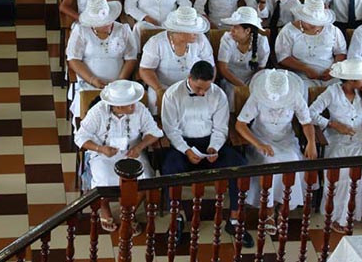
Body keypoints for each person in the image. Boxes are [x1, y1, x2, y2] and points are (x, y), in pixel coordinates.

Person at [159, 60, 254, 248]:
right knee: (169, 170)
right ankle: (176, 218)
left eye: (206, 88)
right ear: (189, 79)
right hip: (183, 145)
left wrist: (214, 148)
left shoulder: (218, 95)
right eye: (198, 88)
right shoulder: (172, 95)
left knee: (241, 167)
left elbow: (220, 128)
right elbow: (171, 130)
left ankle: (234, 220)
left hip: (210, 144)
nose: (202, 92)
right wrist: (186, 150)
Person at [308, 58, 362, 232]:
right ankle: (340, 216)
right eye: (361, 78)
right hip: (338, 143)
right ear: (351, 80)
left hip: (361, 142)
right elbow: (310, 113)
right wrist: (333, 124)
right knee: (344, 172)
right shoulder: (332, 92)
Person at [74, 80, 162, 230]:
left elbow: (154, 132)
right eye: (130, 105)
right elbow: (80, 137)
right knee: (103, 181)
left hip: (132, 153)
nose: (134, 106)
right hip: (103, 155)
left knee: (146, 179)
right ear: (118, 106)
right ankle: (104, 206)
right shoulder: (98, 111)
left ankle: (128, 212)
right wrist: (100, 148)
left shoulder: (139, 109)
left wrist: (139, 147)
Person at [235, 69, 317, 218]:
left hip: (286, 139)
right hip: (262, 138)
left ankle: (284, 203)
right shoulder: (258, 96)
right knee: (271, 160)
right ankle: (269, 207)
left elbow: (306, 122)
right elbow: (240, 124)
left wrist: (311, 142)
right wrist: (258, 144)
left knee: (292, 159)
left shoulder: (295, 96)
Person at [275, 0, 346, 86]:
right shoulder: (288, 31)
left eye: (317, 22)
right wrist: (305, 69)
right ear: (302, 18)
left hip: (331, 75)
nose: (314, 25)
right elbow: (283, 57)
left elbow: (341, 52)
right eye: (310, 21)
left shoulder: (332, 30)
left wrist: (333, 69)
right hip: (302, 76)